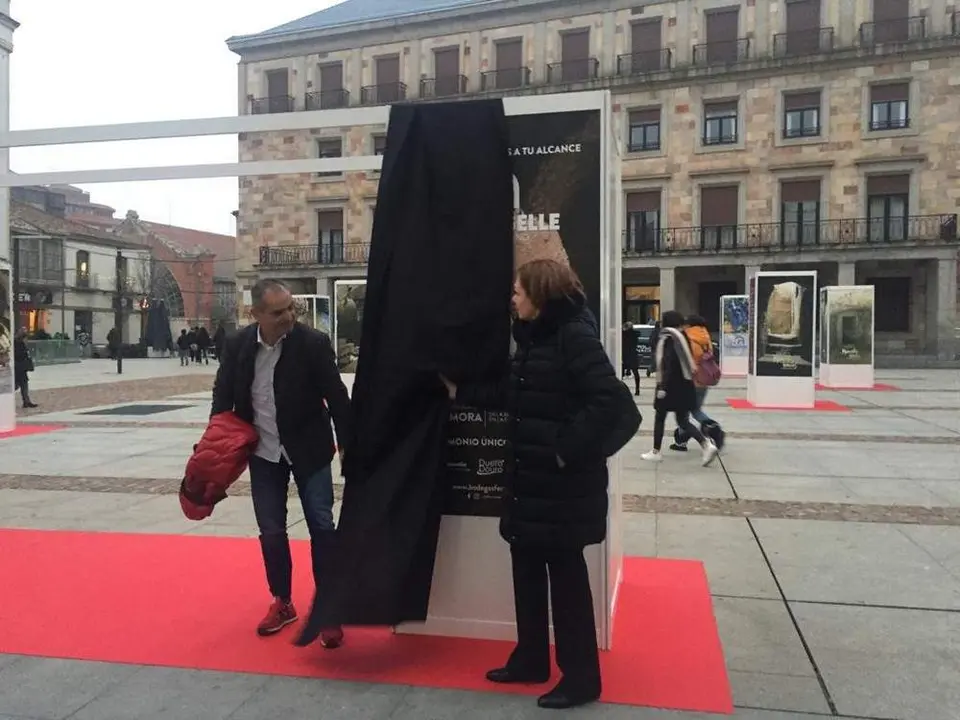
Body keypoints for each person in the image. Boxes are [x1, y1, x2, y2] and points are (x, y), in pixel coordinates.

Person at [440, 259, 628, 710]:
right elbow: (514, 395)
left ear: (540, 295)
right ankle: (530, 659)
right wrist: (457, 391)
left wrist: (564, 448)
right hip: (530, 485)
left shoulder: (573, 335)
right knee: (524, 573)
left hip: (561, 490)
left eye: (518, 291)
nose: (512, 298)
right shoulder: (533, 338)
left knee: (566, 585)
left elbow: (611, 402)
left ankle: (581, 678)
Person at [211, 279, 353, 646]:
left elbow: (337, 398)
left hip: (310, 449)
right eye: (278, 312)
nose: (288, 316)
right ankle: (283, 601)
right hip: (263, 452)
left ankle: (328, 609)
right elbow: (222, 395)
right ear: (255, 313)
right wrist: (214, 444)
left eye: (291, 308)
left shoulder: (313, 344)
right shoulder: (239, 345)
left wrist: (350, 447)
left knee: (322, 526)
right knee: (271, 529)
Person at [641, 310, 718, 466]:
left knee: (660, 417)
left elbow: (668, 363)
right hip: (686, 383)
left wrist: (662, 386)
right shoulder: (683, 337)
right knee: (683, 421)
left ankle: (656, 451)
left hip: (669, 386)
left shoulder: (668, 338)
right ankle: (706, 444)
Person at [670, 314, 725, 452]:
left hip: (690, 380)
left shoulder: (687, 337)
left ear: (689, 325)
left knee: (687, 412)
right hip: (704, 379)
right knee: (693, 410)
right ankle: (682, 439)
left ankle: (712, 428)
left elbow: (685, 360)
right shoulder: (705, 337)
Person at [13, 328, 37, 409]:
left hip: (21, 367)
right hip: (17, 367)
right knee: (15, 385)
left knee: (24, 384)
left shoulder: (22, 342)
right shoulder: (15, 342)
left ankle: (26, 401)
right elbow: (18, 354)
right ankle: (26, 401)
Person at [621, 321, 640, 396]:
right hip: (633, 355)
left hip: (625, 355)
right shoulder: (635, 334)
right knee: (635, 372)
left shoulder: (624, 334)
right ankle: (637, 389)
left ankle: (621, 389)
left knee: (621, 373)